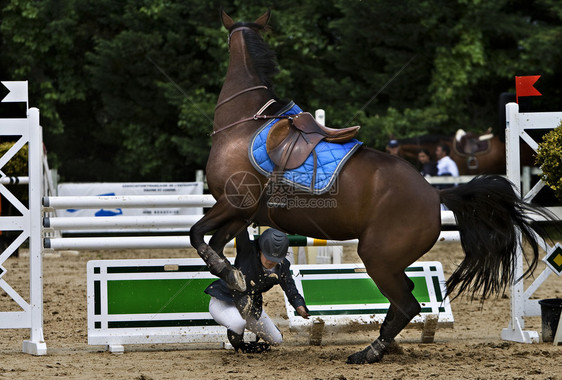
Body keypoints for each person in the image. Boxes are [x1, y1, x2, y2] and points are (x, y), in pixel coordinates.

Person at [205, 228, 310, 353]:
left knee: (276, 340)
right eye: (268, 255)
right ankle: (239, 347)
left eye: (275, 259)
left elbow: (291, 289)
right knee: (237, 323)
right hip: (225, 301)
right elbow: (240, 228)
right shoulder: (247, 250)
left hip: (249, 306)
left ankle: (256, 336)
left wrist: (300, 306)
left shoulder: (283, 266)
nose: (271, 261)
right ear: (260, 249)